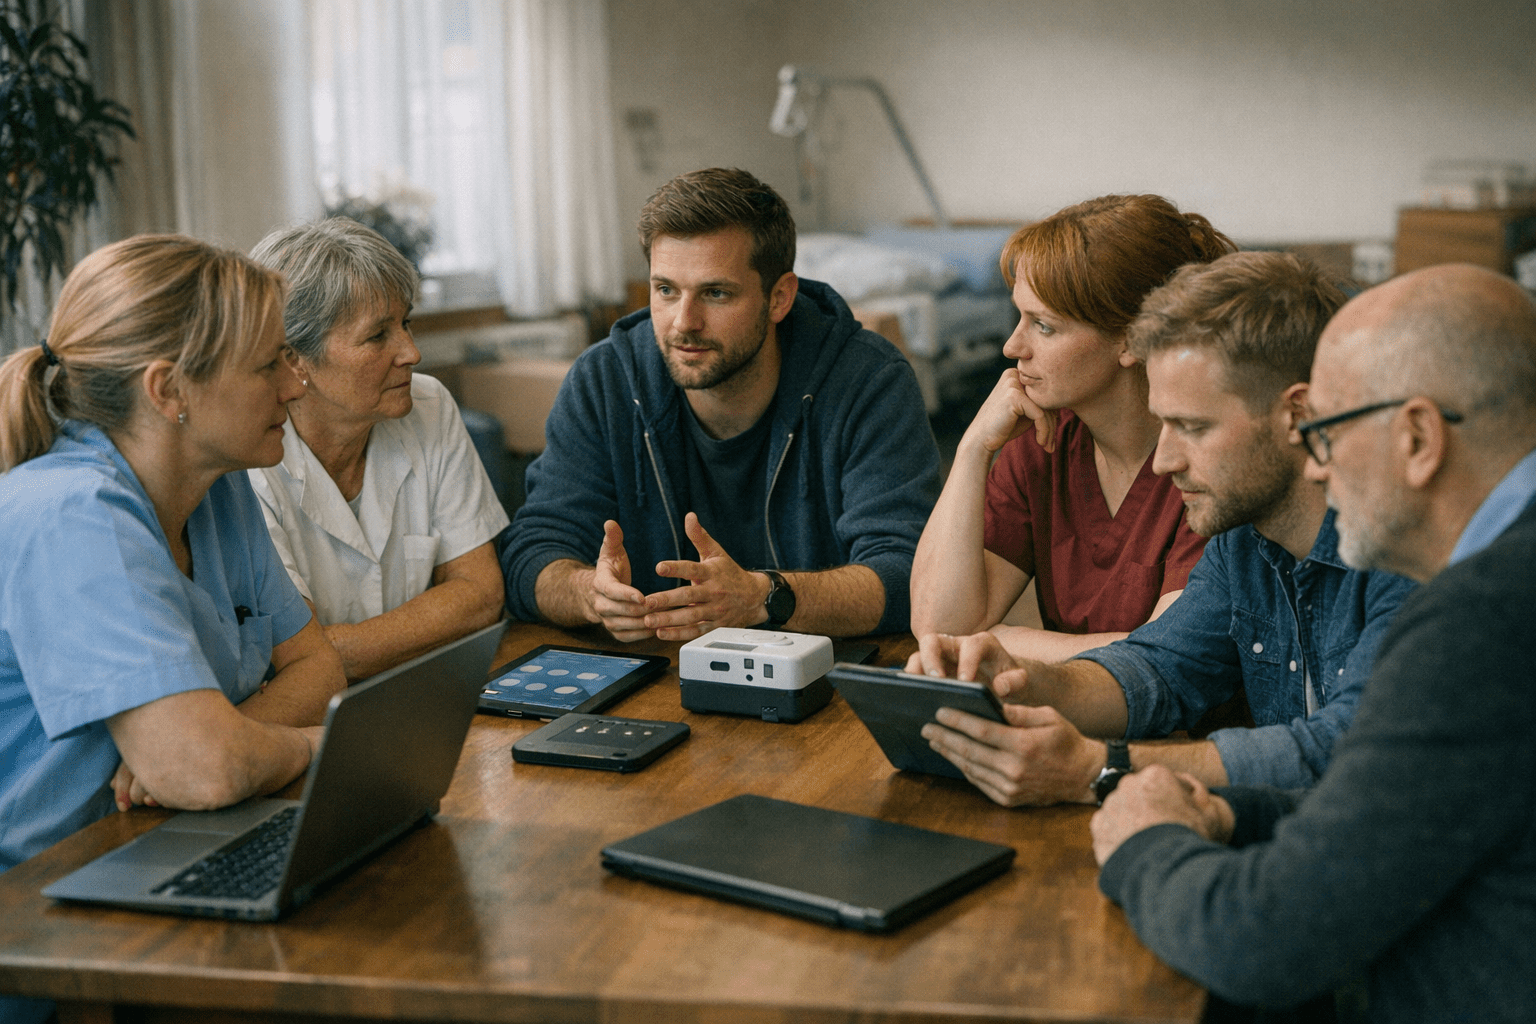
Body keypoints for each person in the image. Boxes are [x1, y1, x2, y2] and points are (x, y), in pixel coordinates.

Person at [1091, 264, 1536, 1024]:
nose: (1318, 468)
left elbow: (1261, 940)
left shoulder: (1485, 619)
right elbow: (1391, 820)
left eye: (1328, 432)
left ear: (1418, 437)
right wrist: (1227, 815)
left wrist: (1144, 840)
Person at [909, 252, 1415, 805]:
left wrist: (1097, 768)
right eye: (1163, 423)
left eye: (1192, 427)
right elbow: (1159, 667)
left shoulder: (1410, 553)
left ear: (1296, 415)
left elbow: (1340, 755)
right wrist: (1022, 681)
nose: (1163, 460)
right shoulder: (1243, 539)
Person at [0, 236, 345, 1024]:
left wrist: (220, 740)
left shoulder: (216, 490)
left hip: (148, 872)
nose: (297, 383)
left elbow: (318, 668)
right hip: (43, 940)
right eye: (269, 364)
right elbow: (207, 772)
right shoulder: (71, 516)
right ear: (168, 390)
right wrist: (321, 748)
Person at [499, 167, 940, 641]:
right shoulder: (603, 380)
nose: (683, 322)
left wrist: (764, 597)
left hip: (825, 682)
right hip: (658, 674)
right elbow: (531, 555)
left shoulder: (868, 381)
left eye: (716, 293)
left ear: (779, 298)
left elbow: (911, 574)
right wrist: (589, 592)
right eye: (666, 290)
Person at [910, 195, 1230, 662]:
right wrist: (973, 449)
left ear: (1131, 338)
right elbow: (939, 629)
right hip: (1069, 718)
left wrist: (996, 642)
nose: (1011, 346)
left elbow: (1163, 657)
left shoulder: (1205, 467)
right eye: (1019, 318)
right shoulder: (1042, 443)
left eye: (1043, 326)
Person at [247, 218, 508, 681]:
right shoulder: (246, 461)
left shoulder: (428, 403)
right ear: (294, 359)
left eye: (405, 323)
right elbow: (292, 657)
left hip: (427, 692)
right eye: (377, 335)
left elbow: (482, 594)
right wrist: (434, 618)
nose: (411, 352)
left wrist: (337, 650)